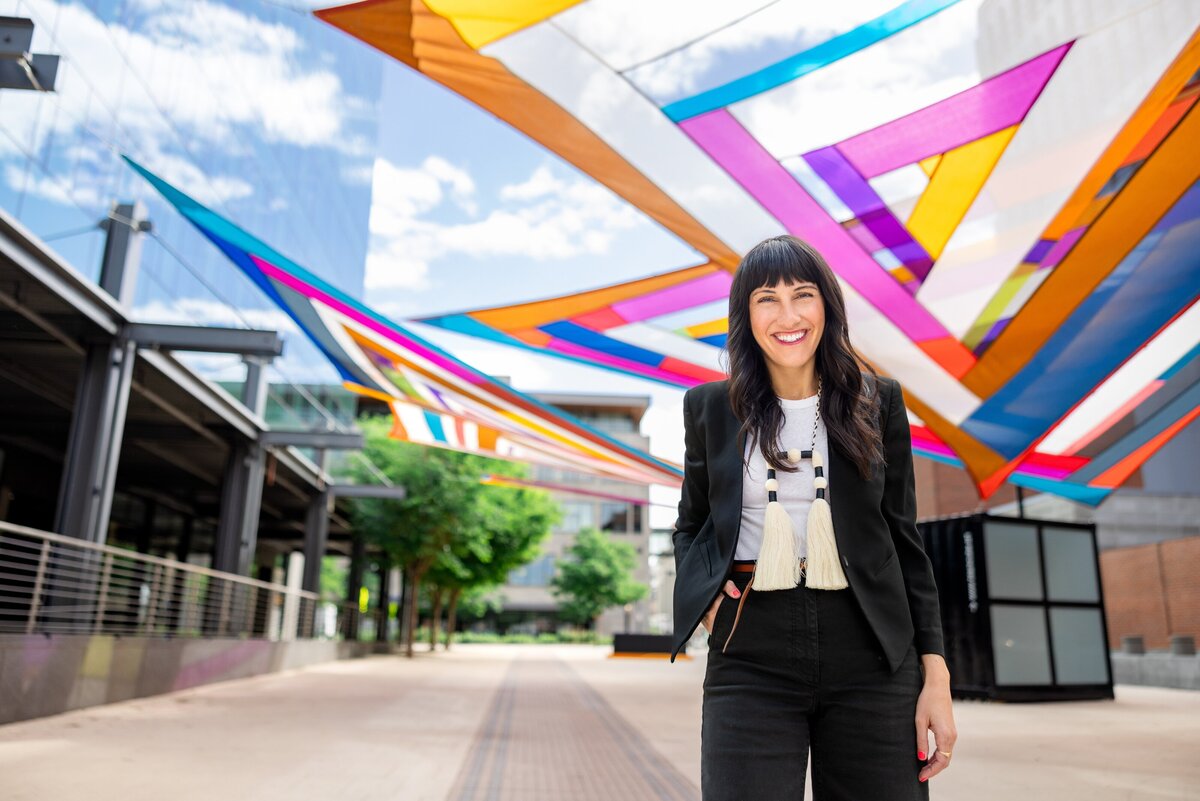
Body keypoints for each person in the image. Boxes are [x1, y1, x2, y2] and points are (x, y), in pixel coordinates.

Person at [670, 235, 957, 799]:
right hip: (750, 648)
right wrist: (704, 602)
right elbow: (691, 526)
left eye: (802, 295)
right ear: (745, 316)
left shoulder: (879, 402)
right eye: (766, 300)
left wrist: (937, 675)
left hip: (873, 649)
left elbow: (904, 543)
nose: (788, 315)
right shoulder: (709, 409)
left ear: (827, 305)